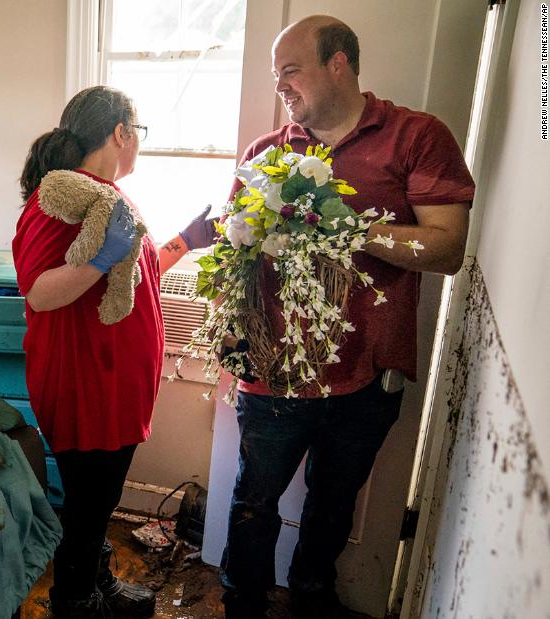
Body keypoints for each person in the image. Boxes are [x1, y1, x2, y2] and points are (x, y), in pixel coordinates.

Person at [211, 16, 476, 619]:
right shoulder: (268, 153)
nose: (281, 85)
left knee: (333, 506)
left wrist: (348, 230)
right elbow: (235, 254)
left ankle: (310, 597)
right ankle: (241, 603)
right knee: (254, 500)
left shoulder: (416, 137)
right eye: (276, 75)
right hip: (274, 372)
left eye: (291, 70)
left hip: (365, 376)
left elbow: (445, 249)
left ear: (339, 64)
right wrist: (231, 327)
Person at [11, 85, 216, 618]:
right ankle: (75, 601)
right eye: (138, 131)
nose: (138, 143)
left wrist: (186, 241)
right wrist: (101, 260)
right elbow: (39, 290)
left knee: (98, 501)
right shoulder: (59, 200)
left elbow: (137, 275)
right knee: (89, 503)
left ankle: (95, 582)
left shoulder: (107, 197)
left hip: (115, 385)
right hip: (85, 383)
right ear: (121, 133)